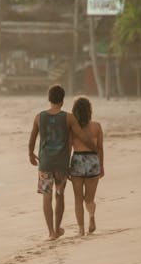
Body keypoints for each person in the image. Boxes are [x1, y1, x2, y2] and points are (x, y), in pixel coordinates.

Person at [28, 85, 97, 240]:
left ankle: (51, 232)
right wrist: (94, 148)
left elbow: (32, 139)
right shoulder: (68, 118)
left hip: (45, 163)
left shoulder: (39, 117)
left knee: (46, 196)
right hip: (61, 165)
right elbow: (81, 135)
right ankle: (58, 227)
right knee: (59, 195)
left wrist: (30, 154)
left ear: (49, 98)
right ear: (63, 100)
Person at [69, 96, 104, 236]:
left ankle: (81, 230)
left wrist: (66, 166)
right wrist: (102, 166)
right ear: (89, 110)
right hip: (92, 161)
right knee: (89, 199)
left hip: (77, 160)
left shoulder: (72, 128)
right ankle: (91, 217)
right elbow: (100, 148)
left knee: (78, 199)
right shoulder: (96, 126)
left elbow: (68, 148)